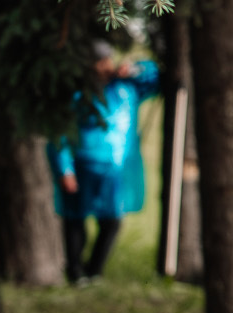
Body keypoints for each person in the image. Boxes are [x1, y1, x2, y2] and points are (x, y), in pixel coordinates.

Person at [51, 41, 161, 284]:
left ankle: (95, 271)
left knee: (111, 220)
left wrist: (136, 69)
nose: (106, 66)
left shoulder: (126, 87)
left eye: (107, 61)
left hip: (115, 170)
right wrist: (64, 168)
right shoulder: (77, 93)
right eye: (99, 62)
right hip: (82, 165)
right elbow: (60, 133)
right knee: (75, 218)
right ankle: (76, 273)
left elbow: (157, 76)